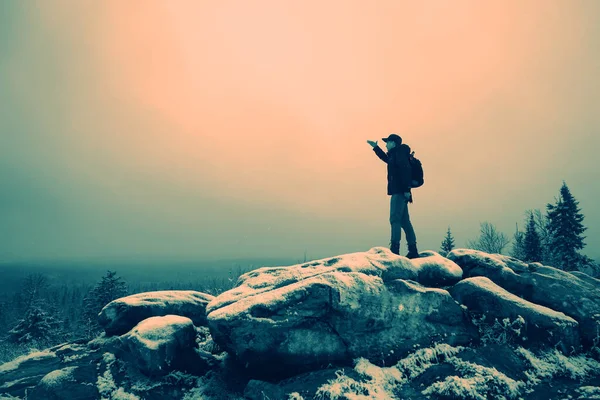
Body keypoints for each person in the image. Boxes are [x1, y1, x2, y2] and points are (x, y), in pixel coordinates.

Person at [367, 133, 419, 258]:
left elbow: (405, 170)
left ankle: (394, 250)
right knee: (405, 221)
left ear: (394, 143)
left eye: (388, 142)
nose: (386, 144)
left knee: (395, 219)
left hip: (399, 191)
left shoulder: (399, 154)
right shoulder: (396, 155)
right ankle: (413, 250)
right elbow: (386, 159)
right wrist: (375, 148)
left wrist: (406, 189)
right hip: (402, 191)